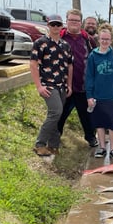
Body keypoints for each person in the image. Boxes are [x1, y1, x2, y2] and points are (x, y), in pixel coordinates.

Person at [30, 14, 73, 156]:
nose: (55, 27)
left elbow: (70, 66)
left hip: (62, 86)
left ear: (62, 26)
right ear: (48, 25)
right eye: (53, 24)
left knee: (58, 115)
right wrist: (39, 86)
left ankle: (53, 145)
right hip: (48, 85)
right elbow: (33, 64)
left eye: (58, 24)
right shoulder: (40, 43)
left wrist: (69, 85)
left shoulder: (66, 45)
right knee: (55, 112)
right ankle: (40, 144)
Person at [57, 9, 98, 148]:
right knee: (60, 113)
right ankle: (56, 135)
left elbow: (95, 61)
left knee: (86, 115)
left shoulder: (89, 40)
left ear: (81, 22)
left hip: (83, 84)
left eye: (77, 20)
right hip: (63, 85)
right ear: (66, 21)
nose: (74, 22)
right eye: (71, 20)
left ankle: (90, 137)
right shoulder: (59, 37)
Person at [86, 28, 113, 160]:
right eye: (102, 39)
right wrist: (89, 95)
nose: (104, 41)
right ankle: (102, 147)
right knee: (100, 124)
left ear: (111, 40)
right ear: (99, 40)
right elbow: (89, 77)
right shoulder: (93, 55)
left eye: (107, 39)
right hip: (98, 95)